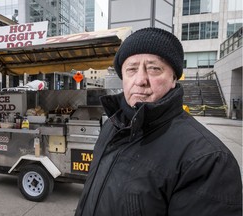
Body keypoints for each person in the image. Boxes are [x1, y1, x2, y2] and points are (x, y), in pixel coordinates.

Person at [75, 27, 242, 216]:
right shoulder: (111, 127)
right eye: (131, 69)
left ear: (173, 78)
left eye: (154, 68)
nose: (140, 80)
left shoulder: (209, 160)